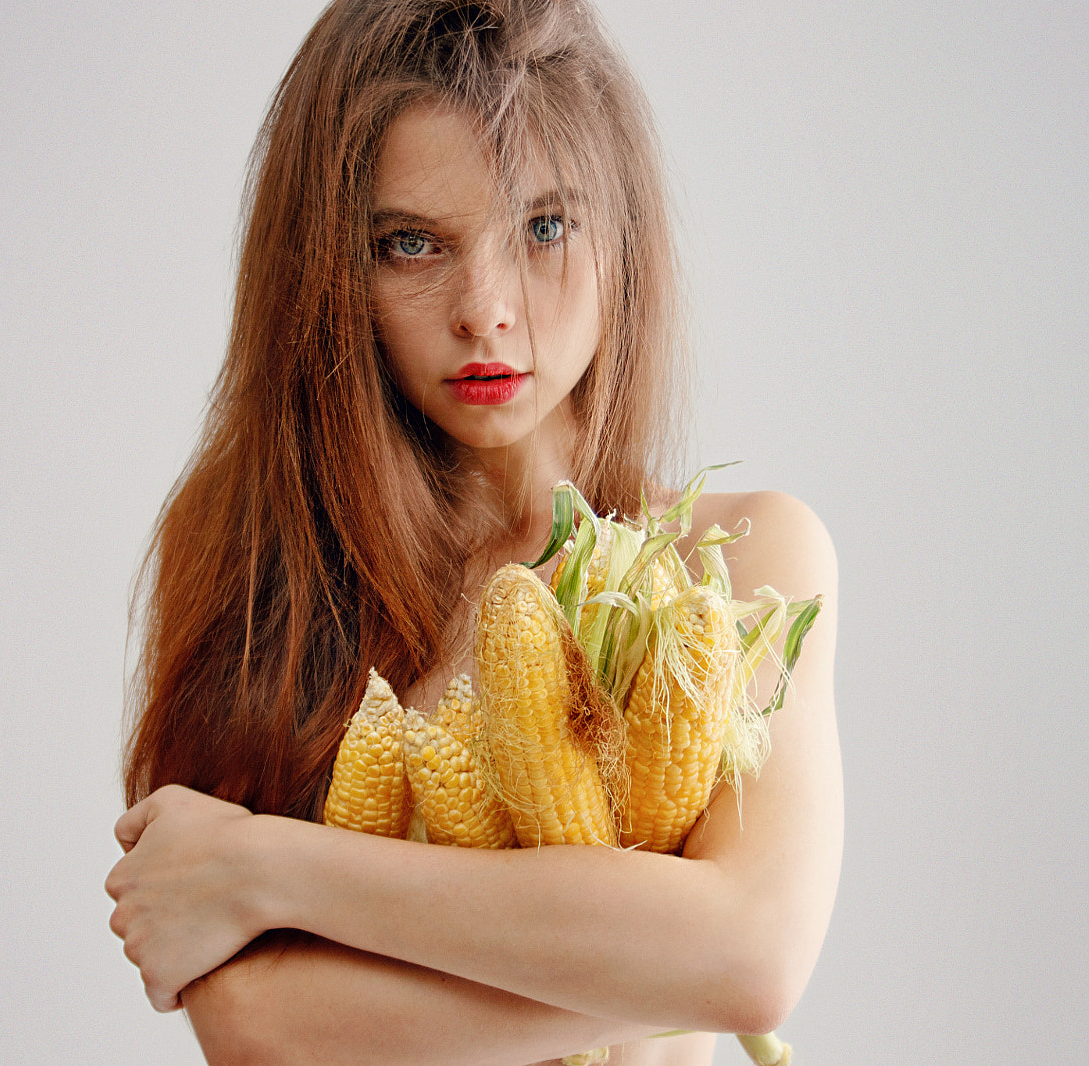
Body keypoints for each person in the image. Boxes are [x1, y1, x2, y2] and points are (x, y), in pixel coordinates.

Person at [104, 1, 842, 1063]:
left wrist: (266, 868)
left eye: (545, 227)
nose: (486, 310)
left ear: (624, 235)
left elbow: (751, 958)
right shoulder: (254, 556)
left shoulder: (739, 562)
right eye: (412, 245)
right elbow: (253, 1025)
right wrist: (651, 954)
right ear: (324, 273)